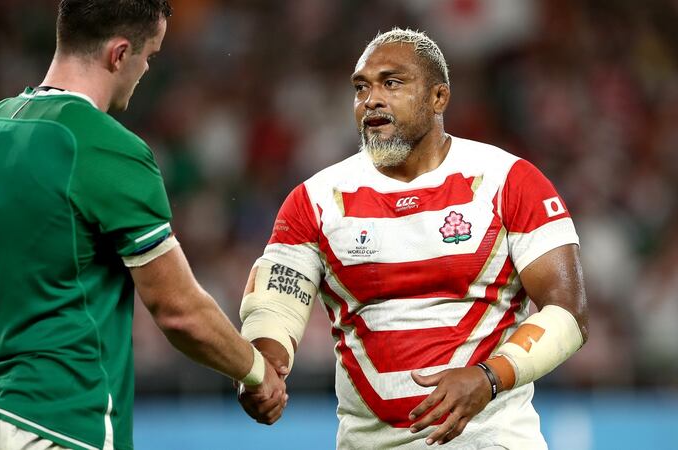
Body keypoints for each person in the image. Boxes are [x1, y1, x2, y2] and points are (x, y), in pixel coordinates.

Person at [0, 1, 286, 449]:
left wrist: (2, 372)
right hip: (63, 427)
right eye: (149, 56)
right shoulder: (103, 146)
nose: (145, 71)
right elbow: (178, 311)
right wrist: (257, 371)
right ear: (119, 54)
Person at [237, 28, 588, 449]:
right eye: (361, 87)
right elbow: (275, 308)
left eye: (392, 83)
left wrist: (488, 377)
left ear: (439, 97)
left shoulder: (510, 181)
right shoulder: (314, 200)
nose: (372, 100)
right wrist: (261, 370)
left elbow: (569, 313)